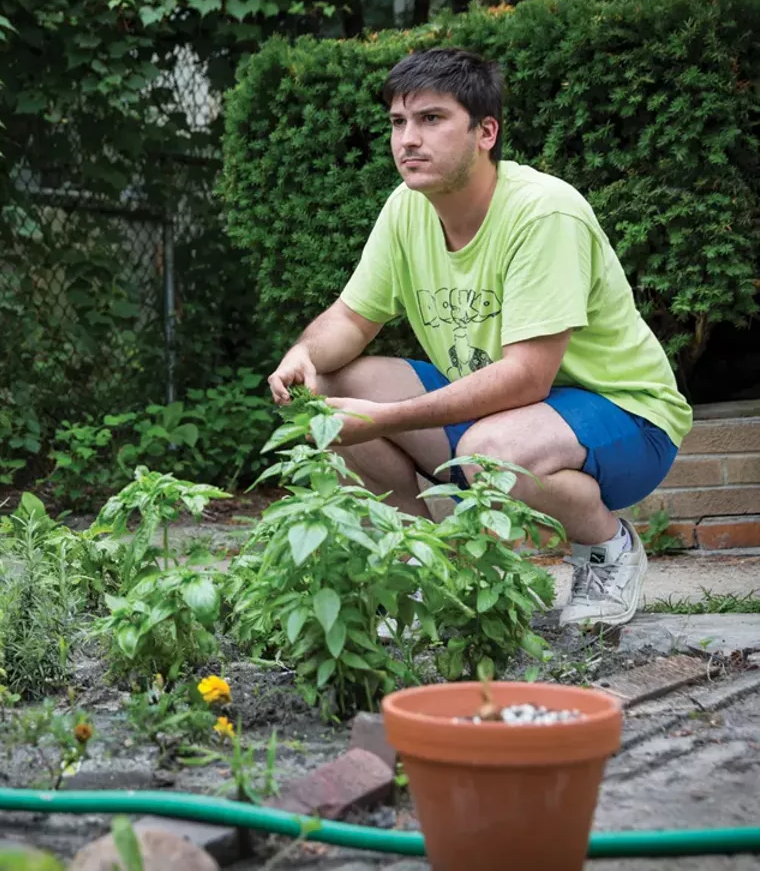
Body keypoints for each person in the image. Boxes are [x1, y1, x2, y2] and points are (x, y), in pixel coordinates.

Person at [267, 47, 692, 629]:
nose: (407, 139)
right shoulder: (406, 210)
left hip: (627, 418)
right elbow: (350, 318)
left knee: (490, 452)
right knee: (333, 385)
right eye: (398, 122)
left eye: (431, 119)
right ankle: (422, 567)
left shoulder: (544, 213)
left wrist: (387, 419)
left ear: (486, 131)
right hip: (508, 414)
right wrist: (303, 356)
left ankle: (607, 548)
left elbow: (527, 376)